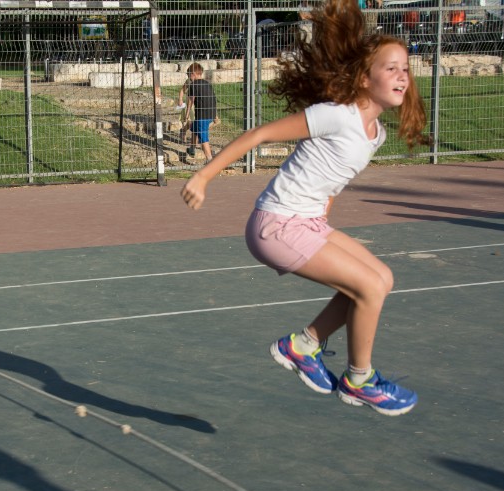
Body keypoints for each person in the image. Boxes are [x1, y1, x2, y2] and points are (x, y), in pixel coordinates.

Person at [180, 0, 428, 416]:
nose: (402, 75)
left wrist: (323, 221)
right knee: (366, 287)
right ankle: (359, 379)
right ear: (365, 78)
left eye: (405, 68)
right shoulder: (336, 115)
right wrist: (204, 177)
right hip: (276, 225)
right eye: (391, 68)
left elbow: (331, 180)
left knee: (380, 279)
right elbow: (259, 134)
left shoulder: (374, 134)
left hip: (308, 223)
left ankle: (303, 345)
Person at [180, 62, 217, 162]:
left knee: (203, 137)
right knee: (194, 127)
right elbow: (213, 98)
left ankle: (209, 160)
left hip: (202, 115)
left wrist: (187, 115)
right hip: (211, 113)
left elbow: (190, 101)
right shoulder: (207, 84)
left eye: (189, 75)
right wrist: (215, 116)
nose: (189, 77)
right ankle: (192, 148)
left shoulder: (193, 85)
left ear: (193, 74)